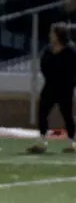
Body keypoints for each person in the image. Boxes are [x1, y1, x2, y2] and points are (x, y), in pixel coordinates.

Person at [29, 22, 76, 154]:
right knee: (42, 112)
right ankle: (42, 141)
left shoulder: (71, 50)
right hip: (50, 86)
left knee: (67, 115)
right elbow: (44, 67)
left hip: (65, 88)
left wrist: (71, 83)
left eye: (52, 33)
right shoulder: (48, 50)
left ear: (59, 34)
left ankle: (71, 143)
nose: (50, 36)